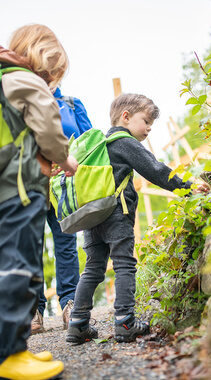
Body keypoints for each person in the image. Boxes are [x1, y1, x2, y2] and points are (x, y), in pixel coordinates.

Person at [66, 93, 209, 344]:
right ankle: (125, 322)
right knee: (124, 264)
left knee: (92, 269)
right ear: (126, 117)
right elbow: (155, 170)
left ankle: (77, 325)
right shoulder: (124, 141)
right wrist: (187, 187)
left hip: (92, 215)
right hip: (116, 216)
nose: (149, 128)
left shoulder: (99, 144)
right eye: (146, 121)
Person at [0, 24, 78, 379]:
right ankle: (11, 356)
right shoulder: (27, 81)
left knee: (11, 262)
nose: (51, 84)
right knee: (21, 265)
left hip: (6, 187)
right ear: (43, 64)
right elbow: (49, 127)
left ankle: (13, 348)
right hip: (21, 191)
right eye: (52, 76)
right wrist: (65, 159)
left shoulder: (4, 80)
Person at [31, 87, 93, 334]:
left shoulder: (72, 103)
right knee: (31, 248)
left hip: (64, 187)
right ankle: (34, 310)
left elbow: (90, 142)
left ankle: (70, 304)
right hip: (30, 186)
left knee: (66, 246)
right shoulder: (25, 98)